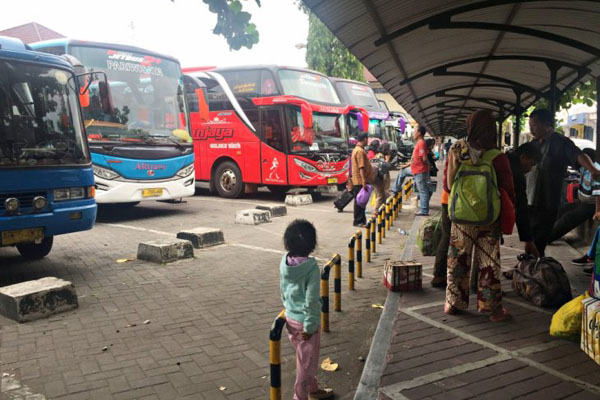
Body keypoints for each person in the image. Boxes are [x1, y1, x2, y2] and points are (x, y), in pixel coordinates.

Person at [445, 110, 515, 322]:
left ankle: (453, 304)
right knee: (488, 262)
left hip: (461, 218)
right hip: (488, 218)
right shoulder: (498, 157)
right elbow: (508, 190)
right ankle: (491, 309)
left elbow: (448, 186)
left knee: (458, 261)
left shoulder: (457, 151)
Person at [526, 108, 600, 257]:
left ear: (546, 124)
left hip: (547, 201)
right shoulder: (533, 144)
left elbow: (578, 155)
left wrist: (592, 169)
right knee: (530, 237)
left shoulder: (560, 142)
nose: (531, 129)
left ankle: (532, 270)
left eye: (534, 125)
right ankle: (528, 267)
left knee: (539, 239)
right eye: (530, 126)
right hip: (529, 199)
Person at [280, 220, 333, 400]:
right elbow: (311, 301)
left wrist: (287, 307)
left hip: (290, 319)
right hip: (305, 324)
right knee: (305, 364)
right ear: (311, 245)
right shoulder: (311, 268)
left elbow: (282, 288)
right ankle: (300, 397)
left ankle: (313, 389)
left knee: (304, 359)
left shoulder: (285, 262)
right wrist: (310, 327)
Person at [561, 148, 600, 269]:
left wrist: (597, 210)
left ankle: (591, 259)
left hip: (590, 204)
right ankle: (591, 259)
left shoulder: (596, 170)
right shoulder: (586, 169)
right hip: (583, 201)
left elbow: (598, 192)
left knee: (568, 219)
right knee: (562, 210)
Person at [506, 142, 542, 257]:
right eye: (531, 164)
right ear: (523, 157)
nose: (531, 169)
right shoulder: (515, 174)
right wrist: (529, 240)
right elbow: (521, 207)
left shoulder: (504, 159)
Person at [431, 157, 450, 288]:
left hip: (449, 199)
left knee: (447, 236)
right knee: (448, 236)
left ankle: (439, 275)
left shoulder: (457, 151)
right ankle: (439, 275)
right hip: (454, 200)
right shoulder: (460, 151)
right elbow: (447, 182)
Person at [349, 132, 375, 227]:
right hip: (360, 180)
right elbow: (361, 167)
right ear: (364, 139)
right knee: (359, 201)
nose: (368, 141)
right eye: (367, 139)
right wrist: (364, 181)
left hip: (357, 180)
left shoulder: (356, 149)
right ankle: (358, 221)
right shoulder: (360, 151)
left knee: (360, 201)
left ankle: (361, 220)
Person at [411, 126, 431, 216]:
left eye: (414, 131)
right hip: (418, 170)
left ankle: (424, 210)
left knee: (423, 191)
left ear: (419, 133)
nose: (413, 133)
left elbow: (424, 158)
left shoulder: (421, 143)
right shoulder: (419, 143)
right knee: (423, 190)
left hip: (420, 171)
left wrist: (427, 164)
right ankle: (423, 209)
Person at [372, 142, 392, 214]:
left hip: (376, 177)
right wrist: (387, 160)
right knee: (381, 194)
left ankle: (382, 209)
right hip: (380, 177)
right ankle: (376, 211)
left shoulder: (377, 155)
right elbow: (384, 167)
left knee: (380, 194)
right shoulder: (381, 156)